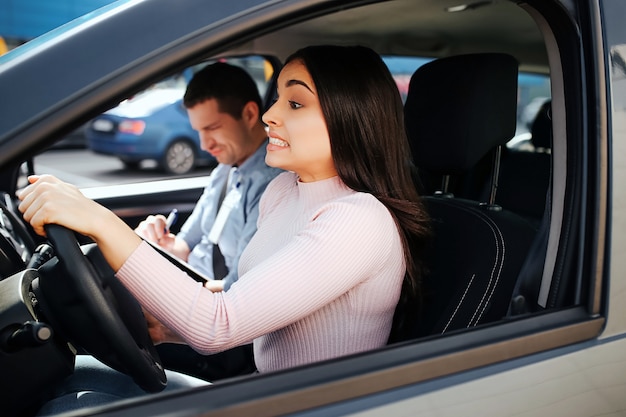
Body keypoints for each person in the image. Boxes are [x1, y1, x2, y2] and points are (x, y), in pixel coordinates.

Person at [18, 44, 430, 412]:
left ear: (350, 116)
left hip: (306, 406)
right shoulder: (286, 191)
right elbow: (245, 298)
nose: (269, 115)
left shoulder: (359, 220)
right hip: (263, 391)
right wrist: (166, 327)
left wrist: (100, 222)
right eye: (278, 99)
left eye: (296, 104)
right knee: (71, 382)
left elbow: (220, 324)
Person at [135, 62, 282, 381]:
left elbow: (238, 293)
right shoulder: (225, 171)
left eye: (213, 128)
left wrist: (168, 303)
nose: (204, 144)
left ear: (249, 114)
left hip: (222, 334)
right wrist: (161, 244)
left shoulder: (272, 185)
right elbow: (185, 245)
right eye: (199, 131)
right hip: (197, 297)